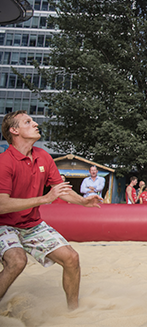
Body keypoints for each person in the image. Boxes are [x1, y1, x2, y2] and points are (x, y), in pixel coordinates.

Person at [0, 110, 102, 309]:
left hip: (31, 224)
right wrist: (44, 199)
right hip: (3, 224)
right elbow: (2, 204)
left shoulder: (43, 157)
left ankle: (73, 312)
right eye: (28, 122)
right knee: (17, 261)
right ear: (14, 130)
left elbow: (60, 190)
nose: (35, 124)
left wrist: (83, 201)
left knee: (71, 258)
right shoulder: (4, 161)